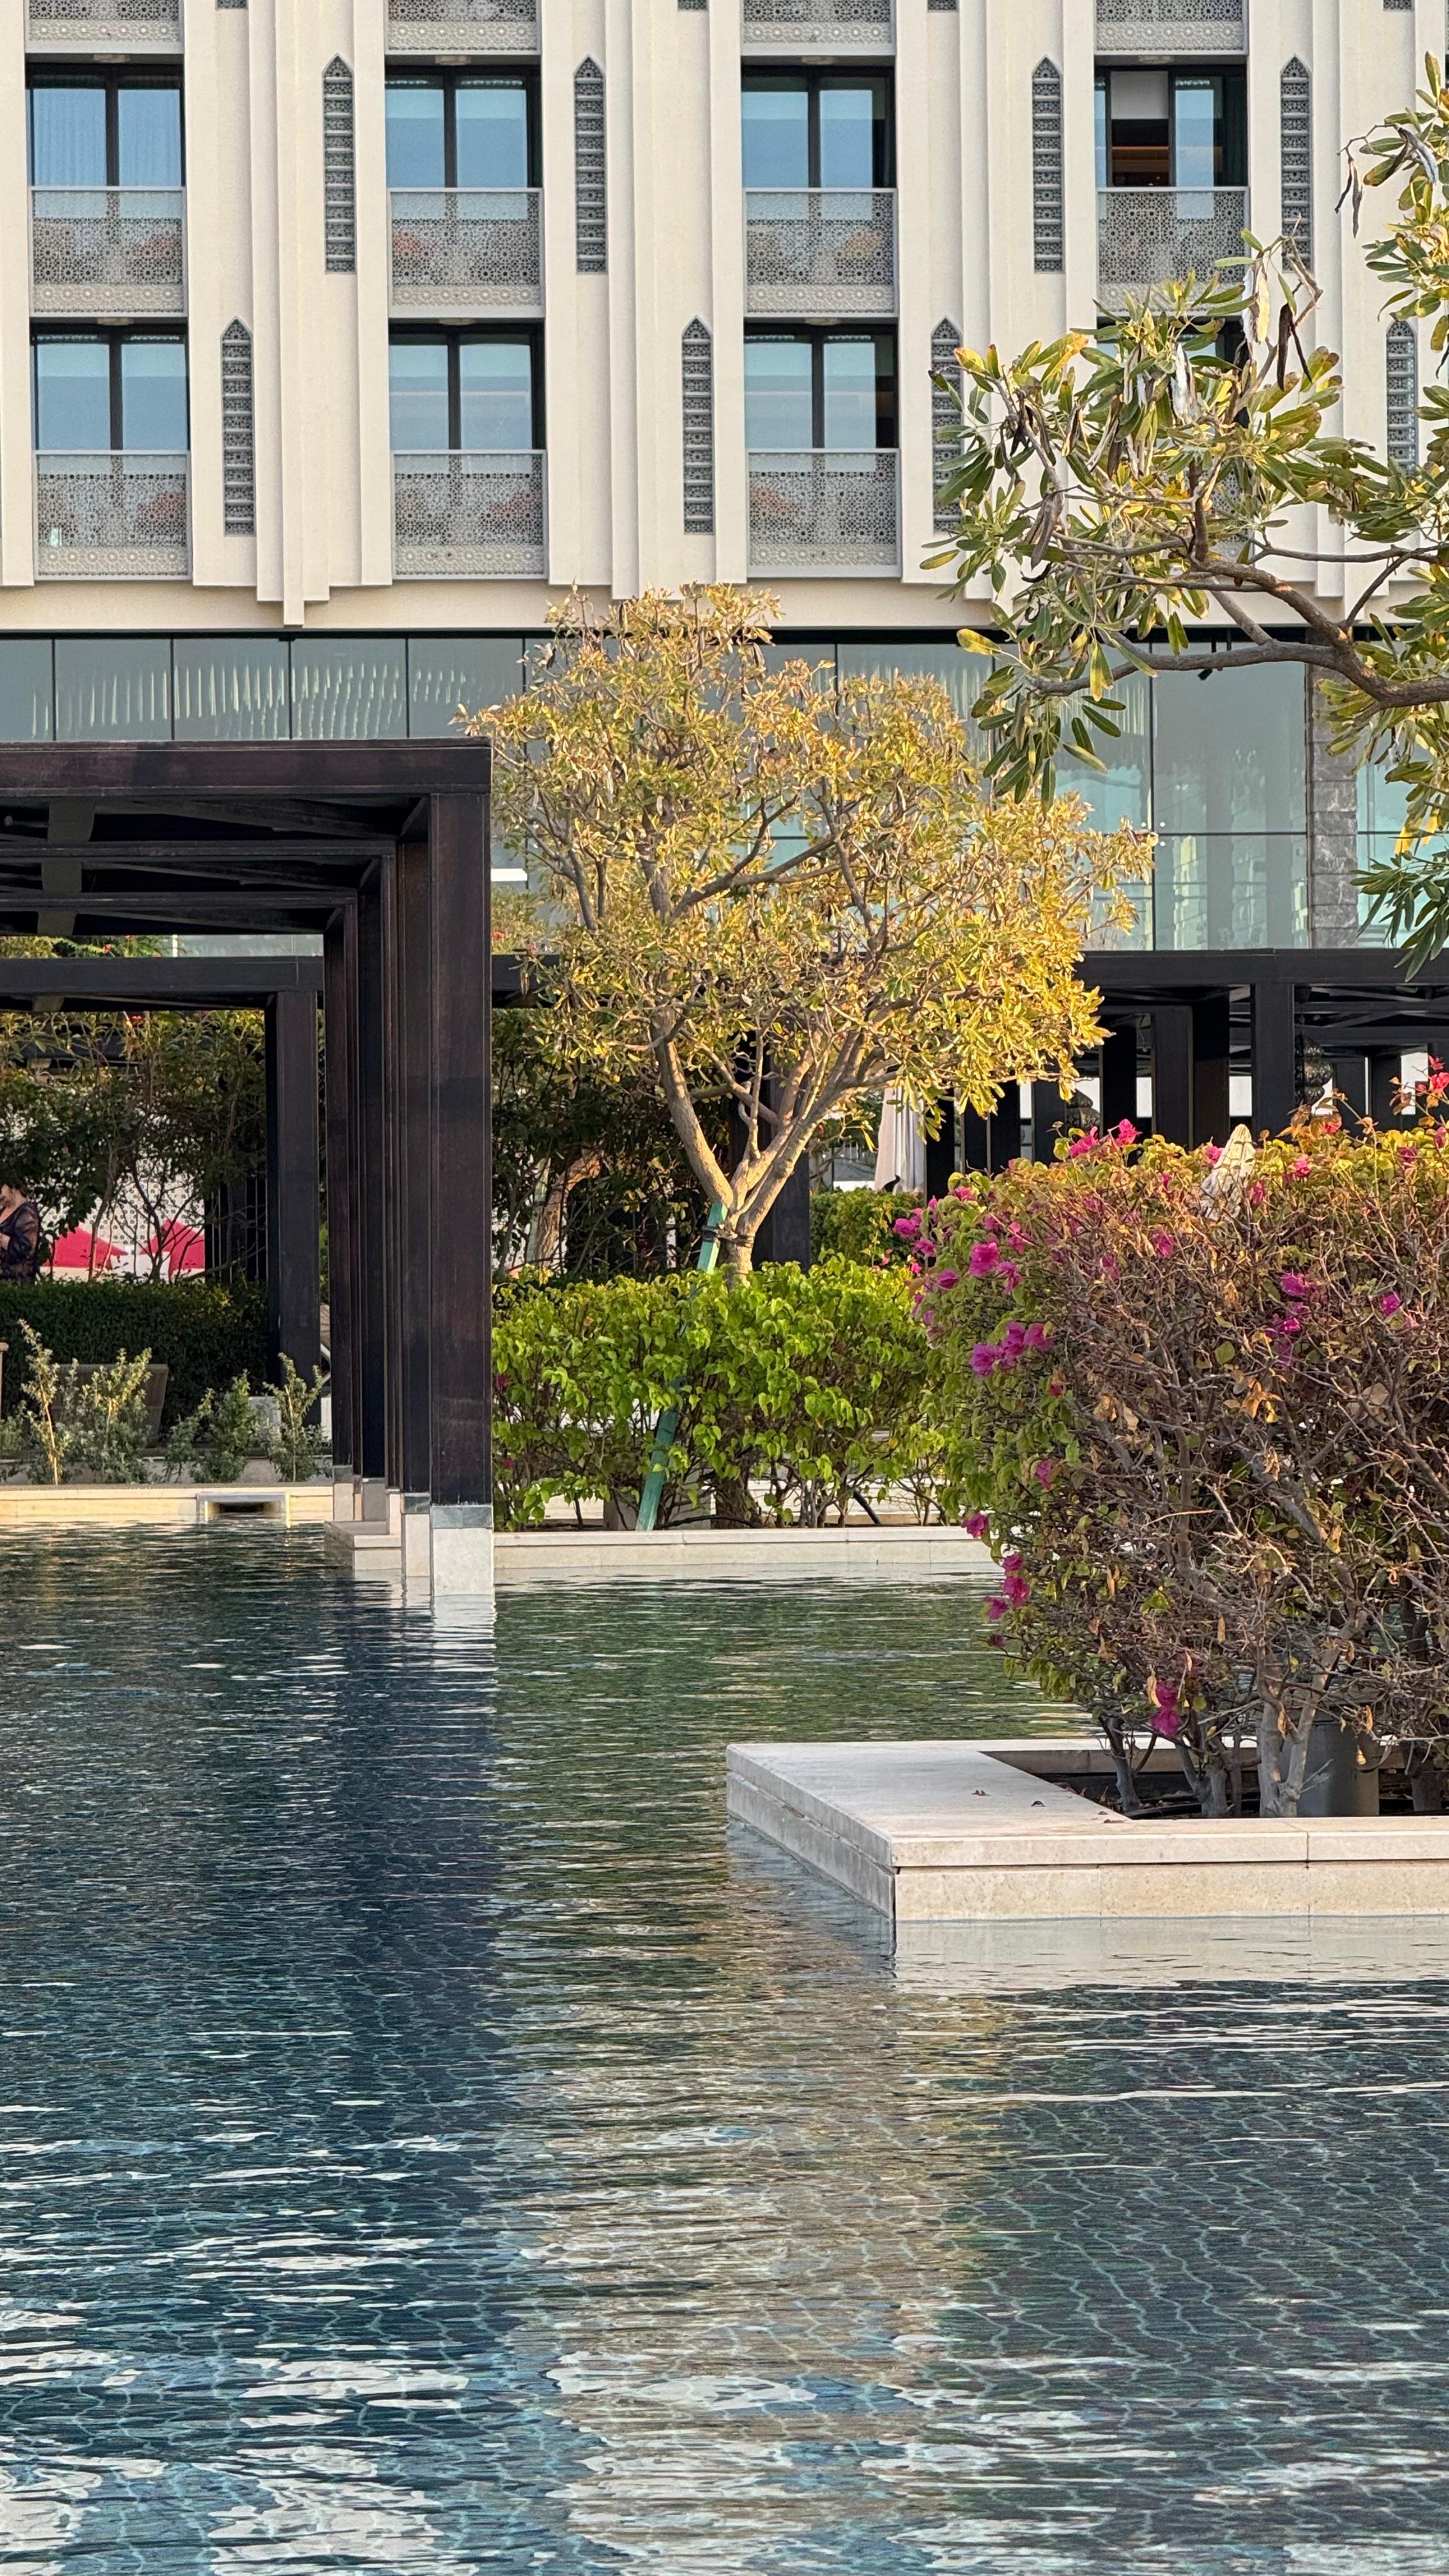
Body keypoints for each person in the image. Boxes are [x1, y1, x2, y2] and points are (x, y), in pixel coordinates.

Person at [0, 1180, 42, 1282]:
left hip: (16, 1281)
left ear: (13, 1187)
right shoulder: (3, 1210)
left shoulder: (27, 1213)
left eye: (1, 1189)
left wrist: (2, 1239)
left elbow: (26, 1250)